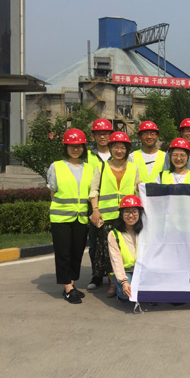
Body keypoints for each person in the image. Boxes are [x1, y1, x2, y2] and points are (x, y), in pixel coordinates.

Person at [88, 131, 140, 296]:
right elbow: (94, 190)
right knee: (107, 251)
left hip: (127, 217)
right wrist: (95, 210)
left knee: (125, 249)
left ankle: (126, 278)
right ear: (110, 148)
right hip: (106, 216)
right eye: (115, 147)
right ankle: (112, 283)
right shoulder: (102, 167)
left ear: (127, 149)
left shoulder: (133, 167)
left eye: (122, 147)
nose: (119, 150)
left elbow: (137, 192)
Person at [47, 129, 93, 304]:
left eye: (79, 146)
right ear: (65, 147)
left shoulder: (89, 168)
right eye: (71, 146)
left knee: (77, 252)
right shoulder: (56, 166)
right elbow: (52, 192)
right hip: (61, 218)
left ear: (84, 148)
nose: (75, 149)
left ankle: (71, 284)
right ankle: (67, 287)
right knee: (63, 253)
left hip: (81, 217)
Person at [86, 118, 113, 272]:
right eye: (99, 134)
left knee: (113, 242)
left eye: (105, 133)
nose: (102, 137)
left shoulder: (118, 153)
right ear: (93, 136)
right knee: (95, 242)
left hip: (112, 206)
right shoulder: (87, 156)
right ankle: (96, 275)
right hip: (93, 205)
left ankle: (113, 275)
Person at [108, 195, 144, 302]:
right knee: (126, 294)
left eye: (134, 211)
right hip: (125, 271)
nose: (131, 215)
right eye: (127, 212)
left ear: (139, 213)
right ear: (121, 214)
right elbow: (116, 260)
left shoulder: (145, 232)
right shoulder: (114, 234)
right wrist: (124, 282)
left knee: (146, 292)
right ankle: (118, 287)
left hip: (142, 270)